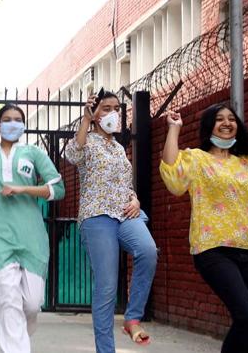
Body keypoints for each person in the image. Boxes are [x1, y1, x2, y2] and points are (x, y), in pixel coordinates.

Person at [160, 95, 248, 353]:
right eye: (219, 119)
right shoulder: (197, 159)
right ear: (209, 127)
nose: (227, 123)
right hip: (213, 250)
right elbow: (172, 172)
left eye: (232, 119)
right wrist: (174, 129)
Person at [0, 104, 65, 353]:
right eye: (6, 120)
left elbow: (58, 189)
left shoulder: (34, 153)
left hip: (31, 237)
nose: (12, 123)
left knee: (30, 304)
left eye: (17, 119)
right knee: (7, 298)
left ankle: (20, 337)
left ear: (23, 125)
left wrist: (23, 189)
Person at [64, 89, 157, 353]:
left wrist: (135, 198)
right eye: (105, 108)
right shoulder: (87, 140)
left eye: (116, 108)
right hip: (97, 216)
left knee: (148, 251)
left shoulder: (118, 147)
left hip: (126, 213)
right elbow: (72, 155)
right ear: (94, 114)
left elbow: (122, 183)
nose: (112, 113)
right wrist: (84, 120)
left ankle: (132, 317)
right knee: (106, 286)